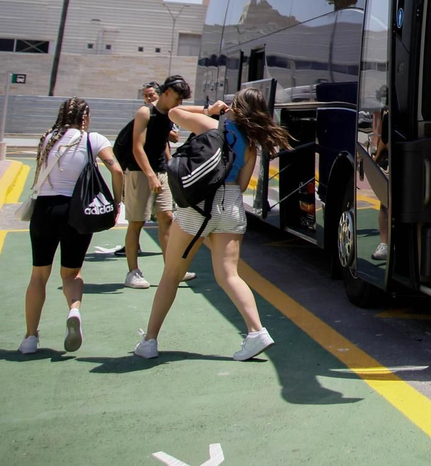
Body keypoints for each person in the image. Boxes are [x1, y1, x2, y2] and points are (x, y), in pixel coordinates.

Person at [133, 87, 290, 362]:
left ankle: (150, 340)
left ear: (235, 106)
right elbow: (242, 185)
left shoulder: (210, 124)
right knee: (229, 274)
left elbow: (172, 112)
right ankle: (256, 331)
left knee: (171, 274)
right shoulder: (252, 143)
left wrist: (209, 110)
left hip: (199, 204)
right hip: (230, 203)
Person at [21, 97, 123, 355]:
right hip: (78, 212)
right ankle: (74, 310)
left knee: (38, 275)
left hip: (45, 210)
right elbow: (116, 170)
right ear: (85, 117)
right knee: (71, 274)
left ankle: (30, 338)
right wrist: (117, 202)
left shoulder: (47, 139)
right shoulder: (93, 139)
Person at [115, 75, 195, 289]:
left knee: (167, 218)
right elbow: (137, 147)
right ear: (166, 93)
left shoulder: (170, 113)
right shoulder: (145, 112)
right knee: (137, 222)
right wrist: (150, 174)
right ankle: (133, 272)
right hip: (140, 172)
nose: (179, 103)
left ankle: (172, 269)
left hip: (161, 172)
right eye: (178, 98)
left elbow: (166, 141)